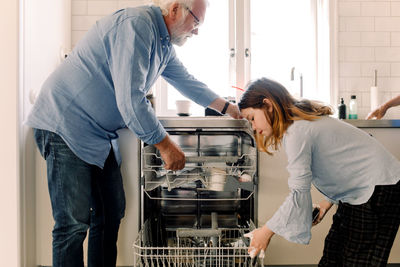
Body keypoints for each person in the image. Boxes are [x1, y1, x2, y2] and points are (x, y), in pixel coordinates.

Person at [26, 0, 240, 266]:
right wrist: (166, 146)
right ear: (175, 9)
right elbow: (130, 98)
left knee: (110, 212)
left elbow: (186, 81)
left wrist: (228, 107)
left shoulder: (162, 44)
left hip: (98, 135)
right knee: (73, 225)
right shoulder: (137, 26)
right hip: (65, 126)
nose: (196, 31)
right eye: (196, 22)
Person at [238, 77, 400, 266]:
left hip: (380, 186)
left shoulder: (297, 131)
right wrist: (327, 202)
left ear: (268, 104)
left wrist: (265, 232)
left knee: (358, 258)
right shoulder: (300, 124)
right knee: (333, 253)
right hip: (361, 189)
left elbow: (298, 192)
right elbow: (345, 160)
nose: (254, 127)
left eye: (252, 118)